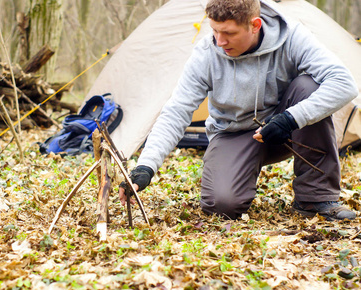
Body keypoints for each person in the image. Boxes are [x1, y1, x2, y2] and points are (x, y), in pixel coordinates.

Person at [119, 0, 359, 221]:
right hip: (232, 134)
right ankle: (234, 180)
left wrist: (290, 119)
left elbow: (344, 84)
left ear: (255, 25)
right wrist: (146, 166)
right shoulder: (206, 54)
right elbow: (177, 110)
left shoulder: (291, 37)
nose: (219, 41)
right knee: (222, 205)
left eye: (229, 33)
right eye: (214, 30)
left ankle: (314, 199)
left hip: (285, 129)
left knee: (309, 86)